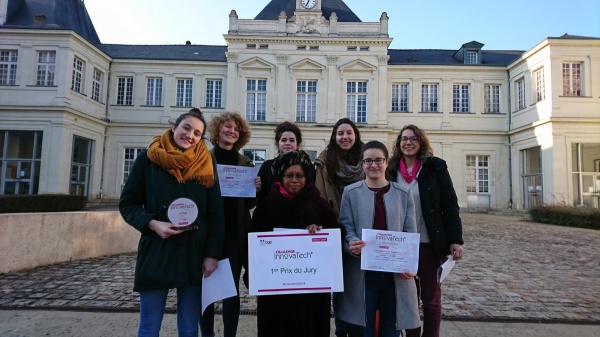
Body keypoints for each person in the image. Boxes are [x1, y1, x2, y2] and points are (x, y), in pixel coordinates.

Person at [119, 108, 225, 337]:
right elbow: (128, 204)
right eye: (186, 128)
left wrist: (212, 254)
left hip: (193, 253)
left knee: (188, 328)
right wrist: (153, 223)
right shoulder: (148, 159)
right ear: (174, 127)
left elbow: (216, 213)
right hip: (157, 250)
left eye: (197, 133)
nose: (190, 135)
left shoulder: (206, 163)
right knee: (149, 326)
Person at [249, 150, 341, 337]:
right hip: (275, 293)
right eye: (289, 175)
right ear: (280, 177)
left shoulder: (319, 204)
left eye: (299, 175)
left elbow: (337, 236)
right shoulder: (266, 207)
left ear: (307, 177)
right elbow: (251, 244)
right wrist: (254, 274)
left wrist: (322, 231)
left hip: (311, 296)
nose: (294, 180)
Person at [337, 140, 421, 337]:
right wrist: (351, 244)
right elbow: (346, 229)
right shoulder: (350, 193)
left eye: (378, 160)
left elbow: (410, 233)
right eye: (368, 161)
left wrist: (410, 264)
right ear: (362, 163)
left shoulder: (403, 193)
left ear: (386, 162)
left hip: (395, 275)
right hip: (362, 274)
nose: (373, 165)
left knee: (391, 330)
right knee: (363, 330)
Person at [387, 124, 464, 337]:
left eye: (413, 138)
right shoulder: (391, 169)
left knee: (430, 299)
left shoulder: (434, 167)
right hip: (402, 245)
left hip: (429, 243)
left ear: (421, 142)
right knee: (408, 298)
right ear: (399, 143)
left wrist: (456, 239)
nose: (408, 142)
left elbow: (450, 204)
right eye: (404, 139)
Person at [201, 112, 260, 337]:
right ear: (218, 130)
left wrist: (256, 189)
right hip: (208, 233)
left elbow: (250, 204)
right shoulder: (204, 158)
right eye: (228, 127)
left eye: (236, 129)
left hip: (235, 233)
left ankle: (229, 335)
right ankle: (207, 334)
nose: (232, 131)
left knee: (231, 290)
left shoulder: (245, 162)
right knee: (207, 290)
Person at [314, 118, 364, 337]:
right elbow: (319, 193)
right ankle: (342, 328)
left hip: (362, 227)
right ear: (334, 137)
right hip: (334, 227)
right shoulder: (325, 161)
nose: (345, 137)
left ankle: (359, 325)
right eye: (340, 133)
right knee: (338, 281)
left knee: (359, 280)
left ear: (356, 135)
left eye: (349, 133)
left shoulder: (367, 157)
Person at [256, 121, 306, 205]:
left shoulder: (306, 167)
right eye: (283, 140)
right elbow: (261, 197)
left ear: (297, 145)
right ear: (277, 144)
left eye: (292, 140)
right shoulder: (267, 166)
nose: (287, 143)